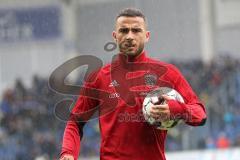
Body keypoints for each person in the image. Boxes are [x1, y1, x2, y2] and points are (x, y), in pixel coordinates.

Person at [60, 8, 207, 160]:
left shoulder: (167, 73)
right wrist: (68, 152)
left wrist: (176, 108)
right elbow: (75, 122)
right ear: (115, 36)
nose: (130, 36)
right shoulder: (99, 77)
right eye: (124, 30)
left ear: (147, 36)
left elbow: (200, 115)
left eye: (136, 30)